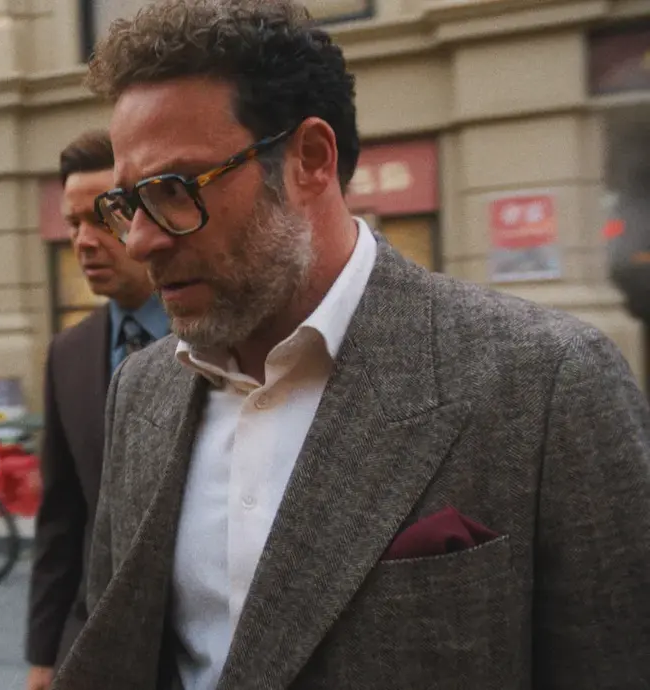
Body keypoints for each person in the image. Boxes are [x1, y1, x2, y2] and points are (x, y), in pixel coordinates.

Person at [55, 1, 650, 689]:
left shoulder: (547, 382)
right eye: (128, 203)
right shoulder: (140, 390)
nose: (139, 240)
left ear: (310, 159)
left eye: (173, 190)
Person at [25, 130, 165, 690]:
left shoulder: (212, 334)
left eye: (102, 218)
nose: (83, 241)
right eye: (72, 223)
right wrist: (43, 657)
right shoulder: (69, 353)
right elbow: (61, 518)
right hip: (92, 648)